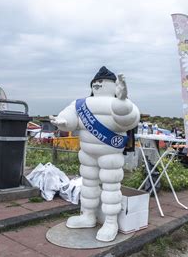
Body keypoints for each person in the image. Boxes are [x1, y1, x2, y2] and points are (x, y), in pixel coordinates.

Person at [51, 66, 140, 242]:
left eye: (103, 82)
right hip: (87, 153)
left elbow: (129, 119)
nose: (99, 85)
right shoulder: (80, 104)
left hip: (111, 154)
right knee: (88, 184)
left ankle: (111, 222)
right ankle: (88, 216)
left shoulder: (119, 103)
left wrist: (122, 101)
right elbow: (70, 117)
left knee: (111, 187)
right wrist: (62, 122)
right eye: (96, 82)